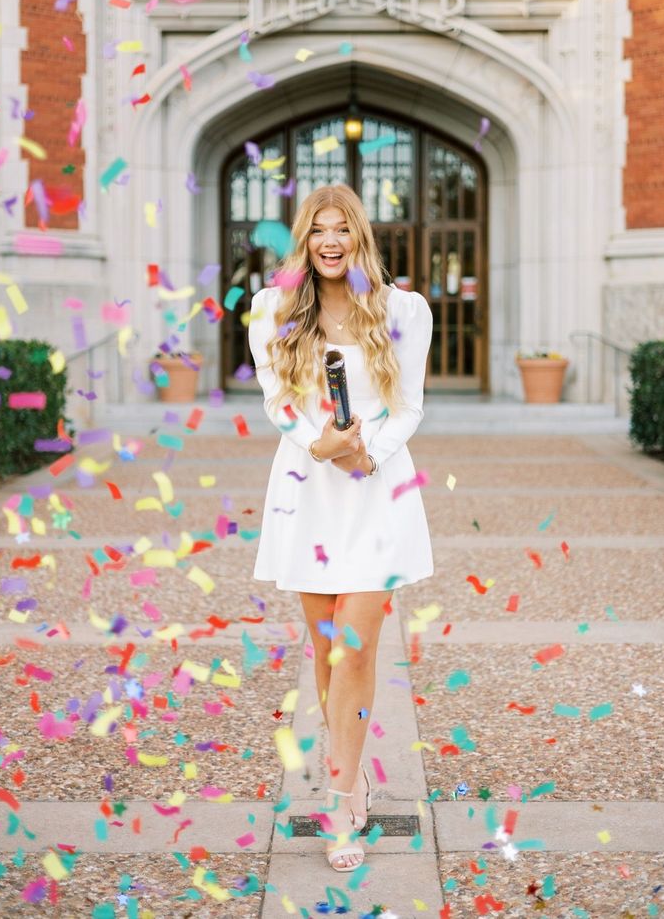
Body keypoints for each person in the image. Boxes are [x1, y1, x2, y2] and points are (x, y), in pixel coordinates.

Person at [248, 183, 433, 872]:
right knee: (327, 647)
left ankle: (336, 797)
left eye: (342, 230)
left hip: (376, 488)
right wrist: (318, 443)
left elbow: (410, 405)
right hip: (308, 487)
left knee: (354, 648)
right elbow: (275, 399)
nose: (330, 241)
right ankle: (351, 775)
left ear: (360, 239)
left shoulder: (402, 310)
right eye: (318, 230)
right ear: (305, 240)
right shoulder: (271, 309)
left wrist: (366, 452)